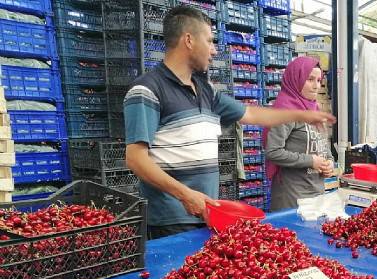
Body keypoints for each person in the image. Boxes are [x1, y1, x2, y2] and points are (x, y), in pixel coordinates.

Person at [123, 6, 334, 239]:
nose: (214, 50)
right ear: (189, 40)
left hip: (207, 212)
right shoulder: (147, 90)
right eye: (210, 41)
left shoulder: (205, 90)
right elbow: (136, 159)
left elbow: (251, 115)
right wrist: (185, 195)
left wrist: (301, 115)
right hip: (170, 219)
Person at [265, 57, 334, 211]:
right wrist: (310, 161)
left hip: (317, 193)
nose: (316, 86)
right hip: (292, 196)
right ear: (296, 78)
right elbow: (273, 152)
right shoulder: (285, 111)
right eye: (310, 79)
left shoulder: (315, 111)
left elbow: (324, 149)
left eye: (319, 80)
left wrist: (330, 163)